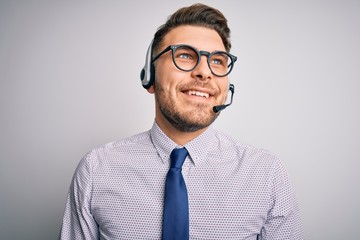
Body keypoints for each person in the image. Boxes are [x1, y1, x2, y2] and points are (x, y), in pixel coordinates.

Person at [59, 3, 304, 240]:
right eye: (185, 56)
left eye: (218, 60)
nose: (205, 72)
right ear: (150, 76)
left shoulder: (266, 173)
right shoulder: (96, 170)